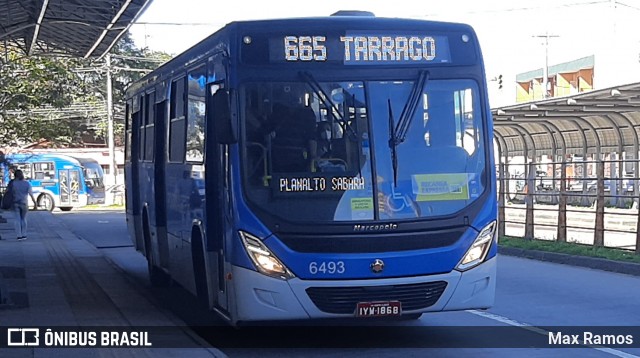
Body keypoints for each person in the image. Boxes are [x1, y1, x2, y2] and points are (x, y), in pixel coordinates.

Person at [10, 169, 37, 241]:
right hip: (24, 203)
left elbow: (9, 193)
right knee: (24, 219)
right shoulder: (27, 183)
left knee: (17, 219)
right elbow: (31, 194)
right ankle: (24, 235)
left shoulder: (13, 183)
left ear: (15, 175)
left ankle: (19, 235)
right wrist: (35, 203)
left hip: (15, 203)